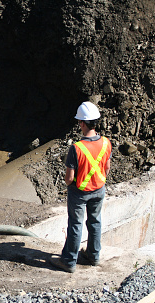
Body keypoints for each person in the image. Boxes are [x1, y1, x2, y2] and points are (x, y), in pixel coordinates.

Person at [50, 101, 112, 273]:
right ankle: (93, 255)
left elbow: (69, 178)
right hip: (99, 190)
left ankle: (69, 261)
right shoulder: (106, 143)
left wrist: (70, 184)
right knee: (95, 221)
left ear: (82, 123)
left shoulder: (76, 148)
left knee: (75, 225)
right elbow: (106, 168)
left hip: (80, 193)